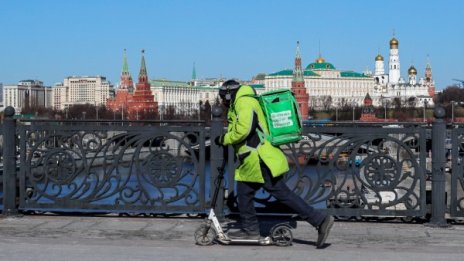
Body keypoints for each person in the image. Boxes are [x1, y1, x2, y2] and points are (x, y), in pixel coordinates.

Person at [215, 79, 334, 248]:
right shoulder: (244, 101)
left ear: (229, 94)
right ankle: (251, 229)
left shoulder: (244, 102)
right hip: (254, 159)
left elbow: (243, 130)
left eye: (223, 98)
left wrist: (223, 139)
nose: (223, 102)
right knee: (246, 193)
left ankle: (319, 220)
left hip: (259, 159)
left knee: (277, 193)